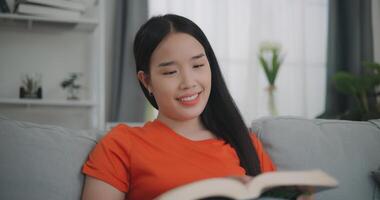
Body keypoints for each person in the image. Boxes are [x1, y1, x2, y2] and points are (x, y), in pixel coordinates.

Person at [81, 14, 312, 200]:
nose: (189, 82)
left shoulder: (245, 142)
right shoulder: (121, 144)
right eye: (171, 72)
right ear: (147, 81)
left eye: (198, 65)